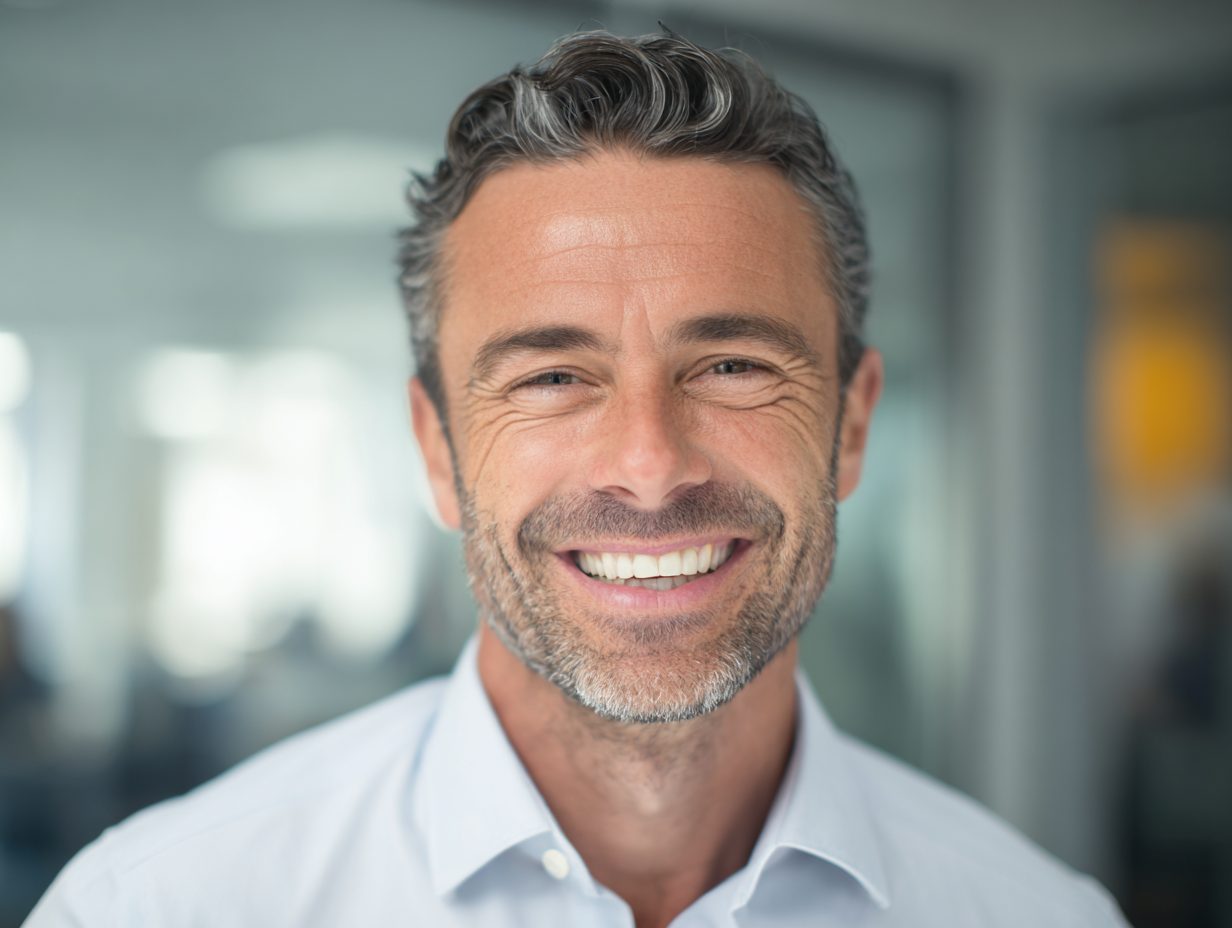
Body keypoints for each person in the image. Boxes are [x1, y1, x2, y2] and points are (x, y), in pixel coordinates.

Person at [25, 31, 1128, 928]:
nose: (648, 468)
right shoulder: (160, 905)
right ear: (437, 450)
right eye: (553, 376)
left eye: (733, 366)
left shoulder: (1036, 914)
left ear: (849, 424)